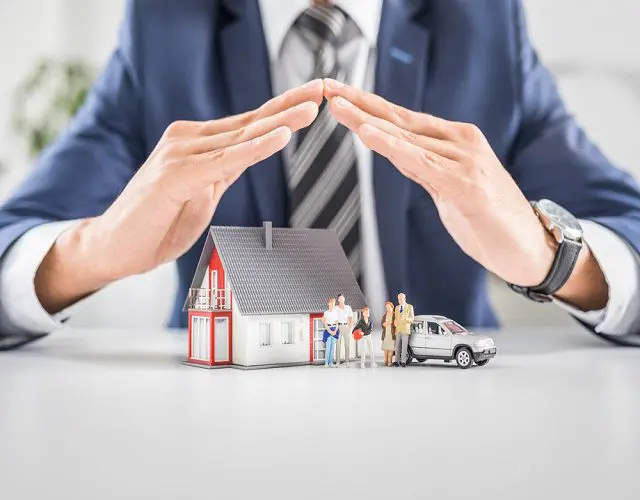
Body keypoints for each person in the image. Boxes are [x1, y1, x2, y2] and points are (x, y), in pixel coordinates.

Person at [1, 0, 640, 351]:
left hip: (450, 415)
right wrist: (88, 255)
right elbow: (14, 233)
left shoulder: (483, 21)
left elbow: (627, 226)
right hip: (212, 415)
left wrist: (550, 258)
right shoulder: (164, 23)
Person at [394, 293, 414, 367]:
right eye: (398, 299)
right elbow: (395, 318)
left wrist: (405, 319)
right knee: (397, 346)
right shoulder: (396, 308)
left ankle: (403, 361)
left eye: (401, 299)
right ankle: (396, 361)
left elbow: (412, 319)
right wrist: (395, 322)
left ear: (404, 299)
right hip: (398, 329)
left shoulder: (409, 307)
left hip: (405, 329)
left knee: (404, 346)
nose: (399, 300)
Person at [334, 293, 354, 366]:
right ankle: (337, 362)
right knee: (338, 344)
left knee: (347, 345)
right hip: (338, 327)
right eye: (340, 298)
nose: (341, 300)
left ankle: (347, 362)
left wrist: (350, 328)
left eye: (342, 298)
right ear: (338, 300)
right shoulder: (335, 308)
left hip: (346, 327)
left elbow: (351, 318)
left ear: (344, 299)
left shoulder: (348, 307)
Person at [323, 297, 339, 367]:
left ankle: (331, 362)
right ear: (328, 304)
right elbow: (325, 323)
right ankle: (326, 362)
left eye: (333, 303)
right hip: (328, 330)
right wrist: (330, 331)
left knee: (332, 348)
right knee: (328, 347)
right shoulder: (326, 313)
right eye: (331, 303)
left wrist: (335, 330)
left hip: (334, 330)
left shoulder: (335, 312)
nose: (332, 305)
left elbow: (337, 323)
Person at [381, 301, 396, 367]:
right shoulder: (385, 315)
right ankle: (385, 361)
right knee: (385, 349)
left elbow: (395, 324)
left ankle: (390, 361)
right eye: (386, 307)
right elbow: (382, 324)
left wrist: (390, 323)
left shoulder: (395, 315)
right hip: (386, 334)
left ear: (392, 307)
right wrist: (388, 323)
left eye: (388, 307)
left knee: (391, 349)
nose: (387, 308)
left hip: (392, 334)